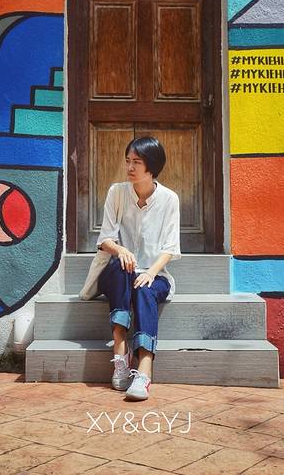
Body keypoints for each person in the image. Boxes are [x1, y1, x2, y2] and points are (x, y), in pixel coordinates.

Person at [96, 136, 181, 401]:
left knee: (144, 287)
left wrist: (150, 273)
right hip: (117, 273)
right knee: (123, 268)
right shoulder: (117, 192)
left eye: (137, 162)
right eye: (128, 161)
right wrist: (121, 250)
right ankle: (120, 351)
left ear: (151, 166)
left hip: (155, 273)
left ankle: (144, 371)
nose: (130, 167)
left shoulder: (169, 199)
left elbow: (170, 248)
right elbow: (104, 239)